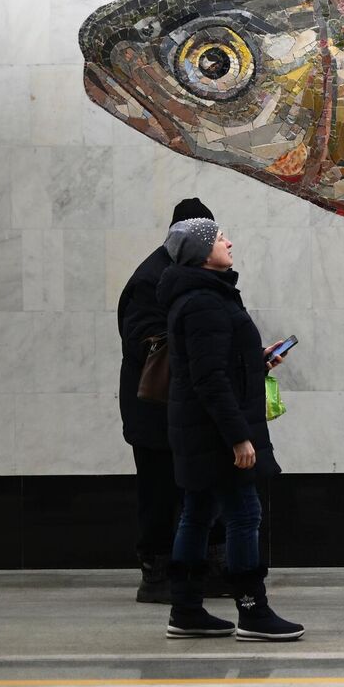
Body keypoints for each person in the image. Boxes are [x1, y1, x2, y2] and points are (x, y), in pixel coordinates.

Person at [157, 218, 304, 641]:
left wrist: (257, 361)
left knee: (198, 514)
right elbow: (208, 378)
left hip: (201, 428)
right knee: (244, 514)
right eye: (221, 239)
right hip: (217, 432)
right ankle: (252, 610)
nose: (230, 242)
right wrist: (240, 436)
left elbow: (214, 366)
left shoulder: (200, 296)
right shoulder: (204, 301)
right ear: (203, 253)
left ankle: (185, 610)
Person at [116, 196, 217, 603]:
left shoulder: (190, 274)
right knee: (158, 492)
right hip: (154, 411)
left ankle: (200, 569)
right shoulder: (151, 279)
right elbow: (147, 343)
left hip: (184, 409)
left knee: (197, 489)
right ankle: (156, 574)